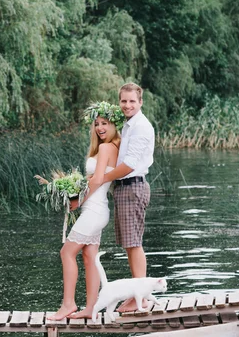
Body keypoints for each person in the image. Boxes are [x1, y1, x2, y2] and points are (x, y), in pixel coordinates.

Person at [47, 102, 125, 320]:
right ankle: (91, 307)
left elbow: (99, 179)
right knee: (89, 256)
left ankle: (68, 304)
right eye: (97, 124)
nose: (100, 127)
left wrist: (77, 201)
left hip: (94, 210)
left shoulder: (106, 147)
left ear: (113, 125)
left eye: (105, 123)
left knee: (67, 252)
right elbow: (95, 178)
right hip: (97, 210)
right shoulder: (112, 148)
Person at [99, 82, 155, 313]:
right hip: (124, 188)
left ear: (140, 102)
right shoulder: (129, 125)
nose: (127, 105)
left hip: (133, 186)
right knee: (129, 244)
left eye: (132, 101)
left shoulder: (141, 126)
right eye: (124, 101)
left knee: (134, 243)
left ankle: (139, 297)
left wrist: (102, 178)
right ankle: (137, 294)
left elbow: (131, 164)